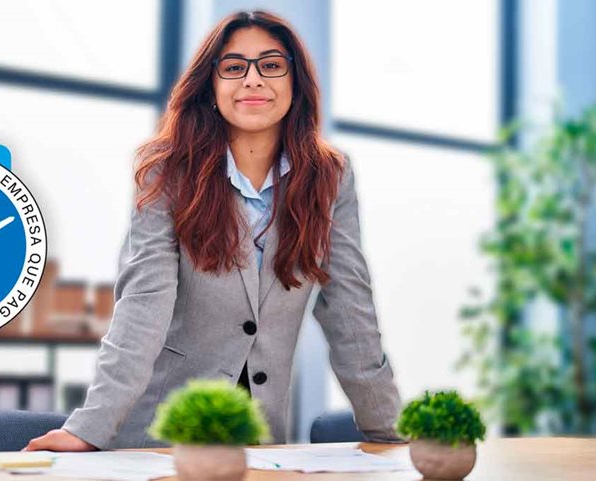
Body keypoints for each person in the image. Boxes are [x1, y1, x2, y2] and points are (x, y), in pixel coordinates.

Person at [23, 10, 403, 452]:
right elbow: (143, 307)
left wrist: (392, 432)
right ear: (212, 86)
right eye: (234, 67)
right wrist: (89, 429)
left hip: (259, 441)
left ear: (295, 81)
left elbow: (350, 312)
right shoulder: (167, 172)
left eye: (272, 64)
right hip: (160, 436)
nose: (254, 80)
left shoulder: (330, 176)